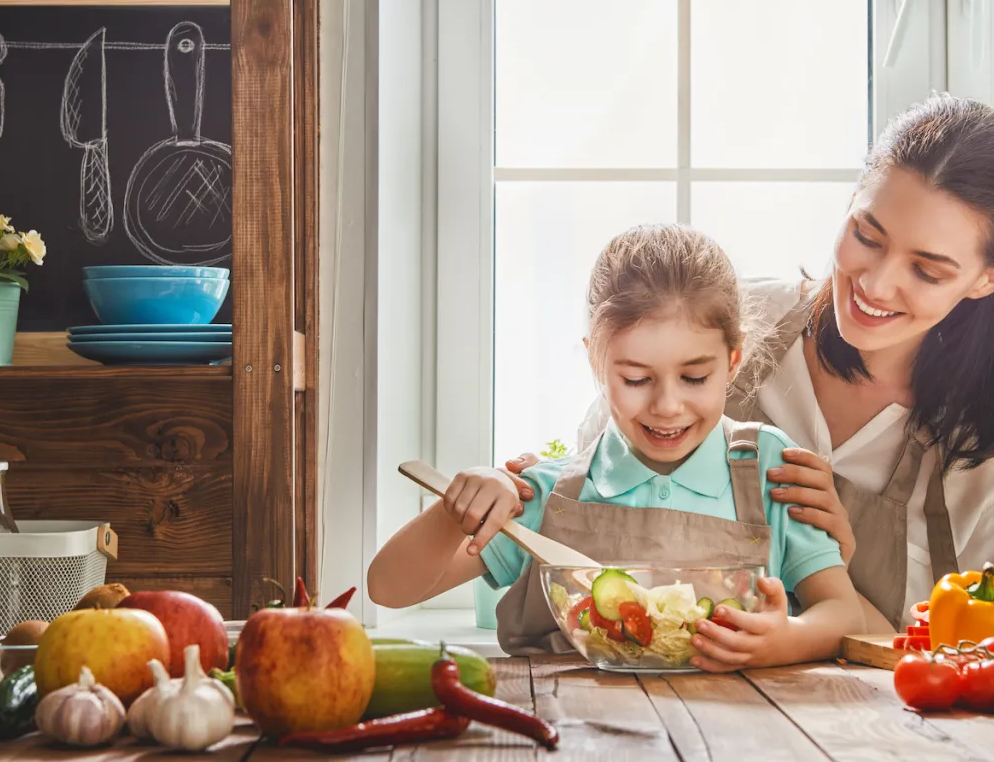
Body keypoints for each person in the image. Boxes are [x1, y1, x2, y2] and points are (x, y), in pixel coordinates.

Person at [504, 93, 994, 634]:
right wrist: (532, 493)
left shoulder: (980, 467)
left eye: (927, 270)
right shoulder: (724, 326)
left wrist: (834, 572)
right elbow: (595, 520)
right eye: (867, 235)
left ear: (990, 277)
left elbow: (971, 666)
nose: (876, 283)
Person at [368, 224, 864, 670]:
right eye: (635, 378)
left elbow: (843, 611)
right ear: (596, 364)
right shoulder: (546, 494)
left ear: (733, 361)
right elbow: (388, 589)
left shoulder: (766, 469)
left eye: (695, 376)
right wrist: (455, 511)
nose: (667, 405)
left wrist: (787, 640)